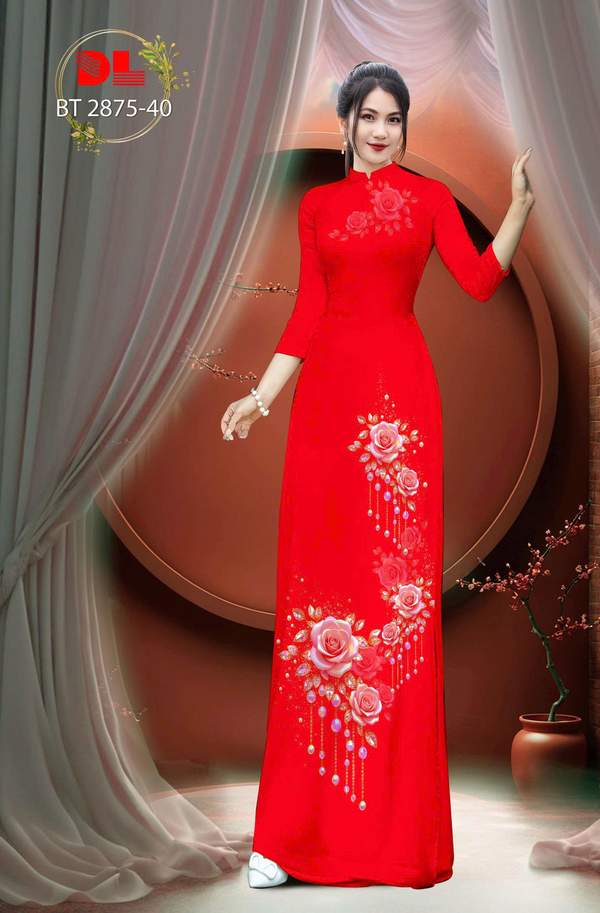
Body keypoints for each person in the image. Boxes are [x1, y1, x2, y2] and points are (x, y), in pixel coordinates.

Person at [221, 60, 534, 888]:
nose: (382, 130)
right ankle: (287, 840)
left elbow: (479, 281)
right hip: (324, 414)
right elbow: (307, 313)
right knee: (314, 608)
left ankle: (395, 841)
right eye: (369, 115)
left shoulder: (429, 200)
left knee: (394, 611)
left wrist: (518, 212)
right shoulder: (317, 206)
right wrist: (260, 397)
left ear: (403, 127)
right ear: (348, 121)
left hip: (398, 421)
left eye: (394, 118)